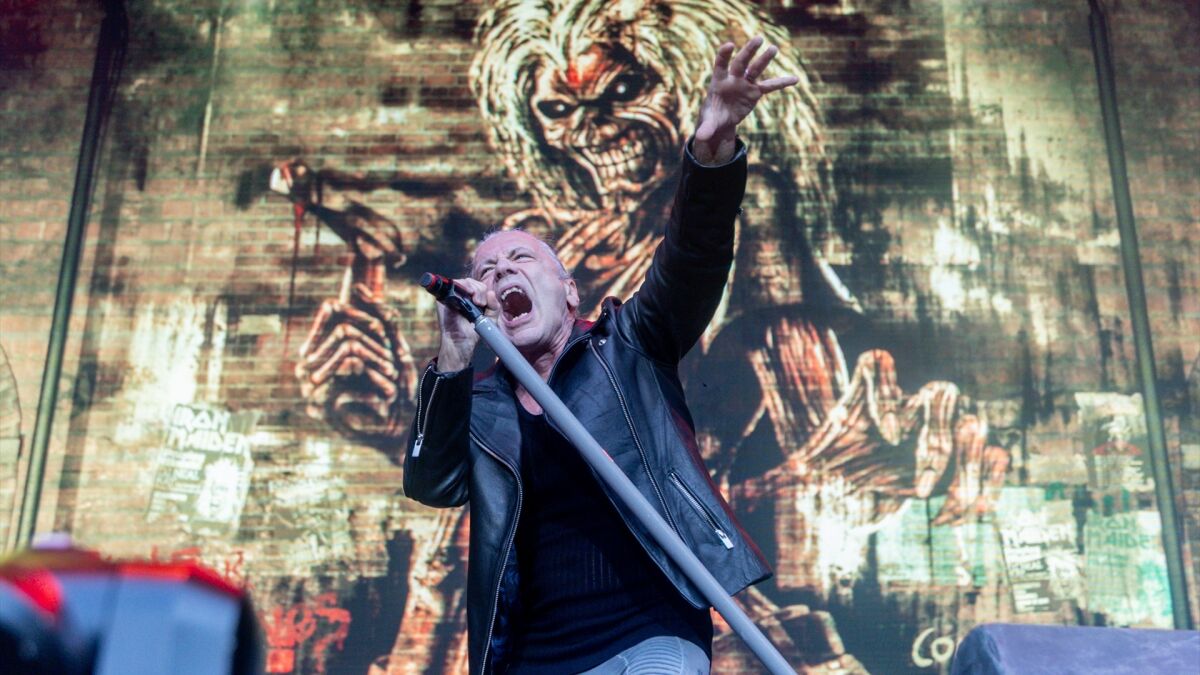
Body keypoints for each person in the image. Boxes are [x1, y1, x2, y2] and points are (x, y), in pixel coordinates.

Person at [402, 37, 798, 674]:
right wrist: (453, 352)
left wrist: (711, 150)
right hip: (534, 657)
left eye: (521, 259)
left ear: (569, 292)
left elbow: (693, 257)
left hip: (648, 634)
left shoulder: (628, 345)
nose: (502, 271)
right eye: (487, 270)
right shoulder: (481, 405)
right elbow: (432, 484)